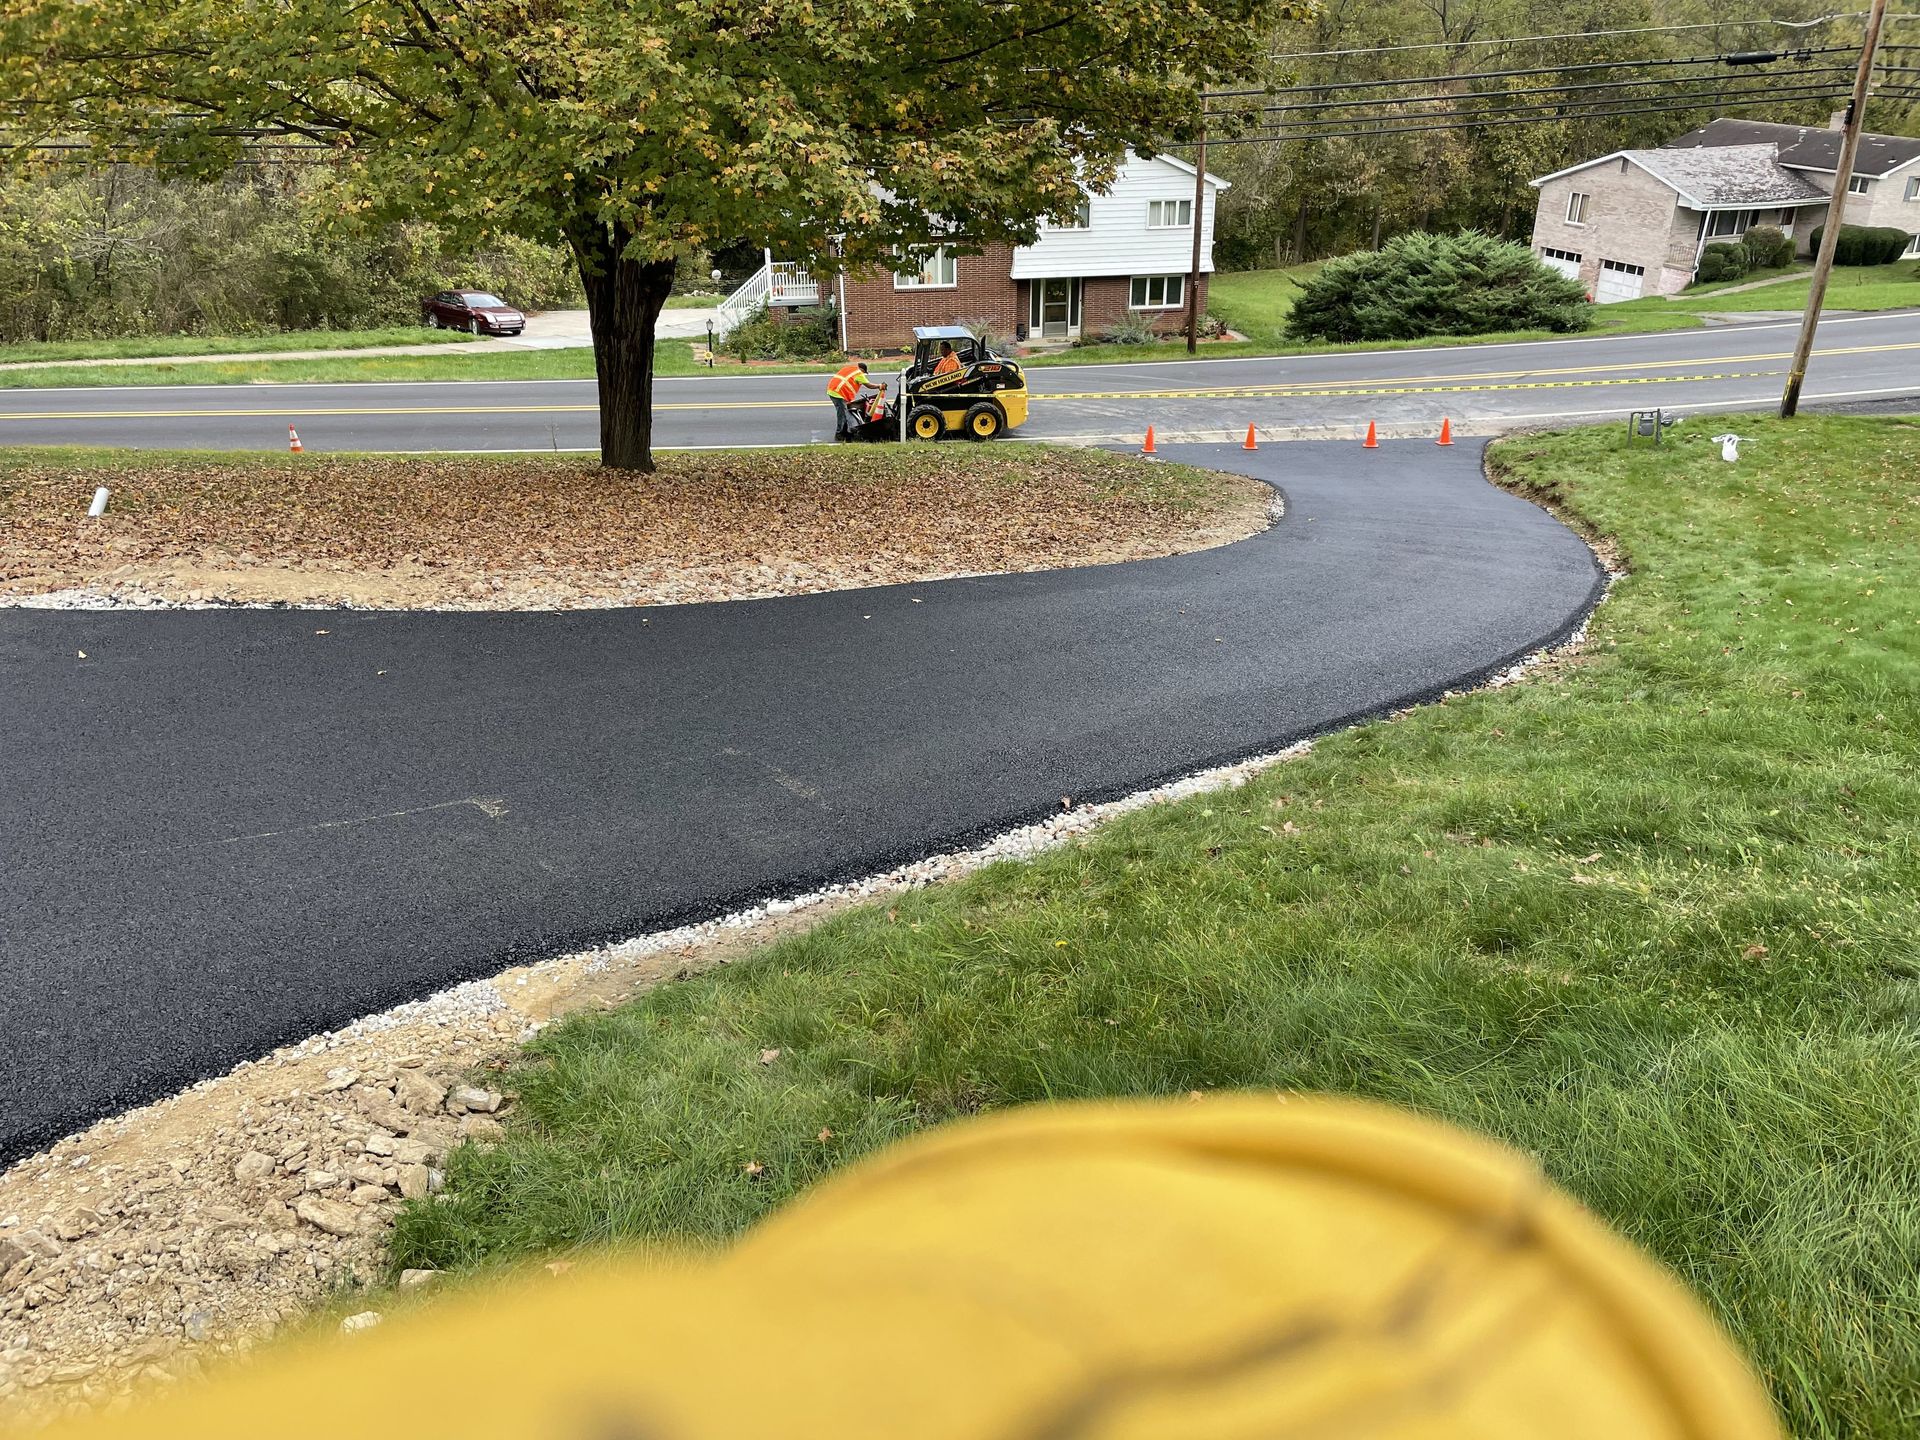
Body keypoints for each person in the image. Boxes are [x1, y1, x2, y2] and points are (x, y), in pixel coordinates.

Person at [825, 359, 870, 441]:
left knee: (844, 412)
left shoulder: (848, 368)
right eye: (864, 372)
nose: (863, 374)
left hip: (832, 389)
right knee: (842, 414)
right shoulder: (859, 373)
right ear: (862, 370)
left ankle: (845, 431)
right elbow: (869, 385)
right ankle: (839, 434)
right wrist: (879, 386)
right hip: (838, 393)